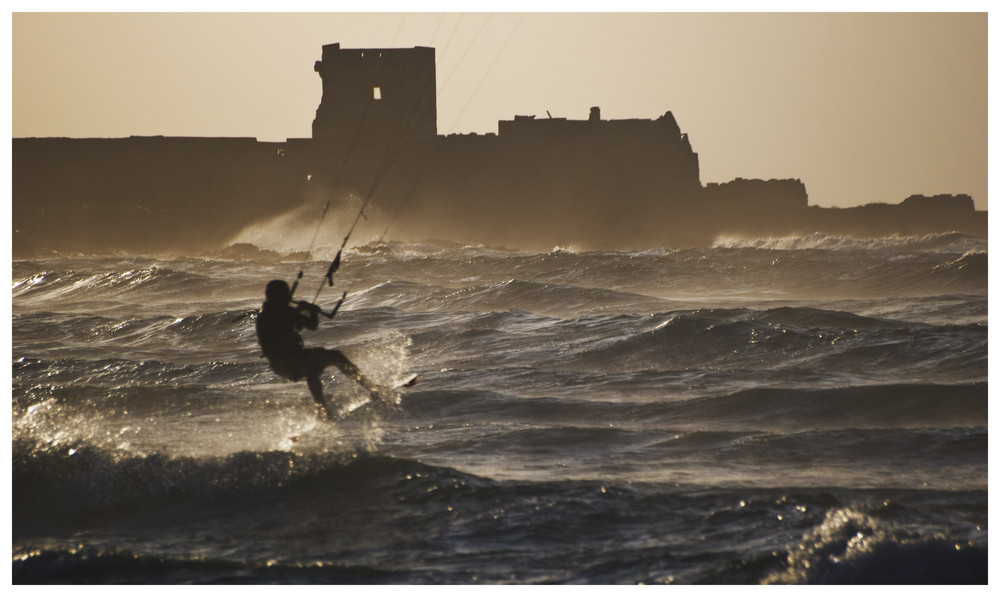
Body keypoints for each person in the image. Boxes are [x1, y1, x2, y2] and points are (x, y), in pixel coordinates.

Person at [255, 279, 381, 418]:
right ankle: (322, 411)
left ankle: (371, 388)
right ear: (275, 296)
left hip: (290, 359)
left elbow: (296, 325)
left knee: (334, 356)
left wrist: (303, 311)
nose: (289, 297)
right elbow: (311, 325)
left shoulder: (274, 312)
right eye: (285, 293)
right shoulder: (274, 314)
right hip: (285, 362)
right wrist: (311, 311)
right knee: (312, 369)